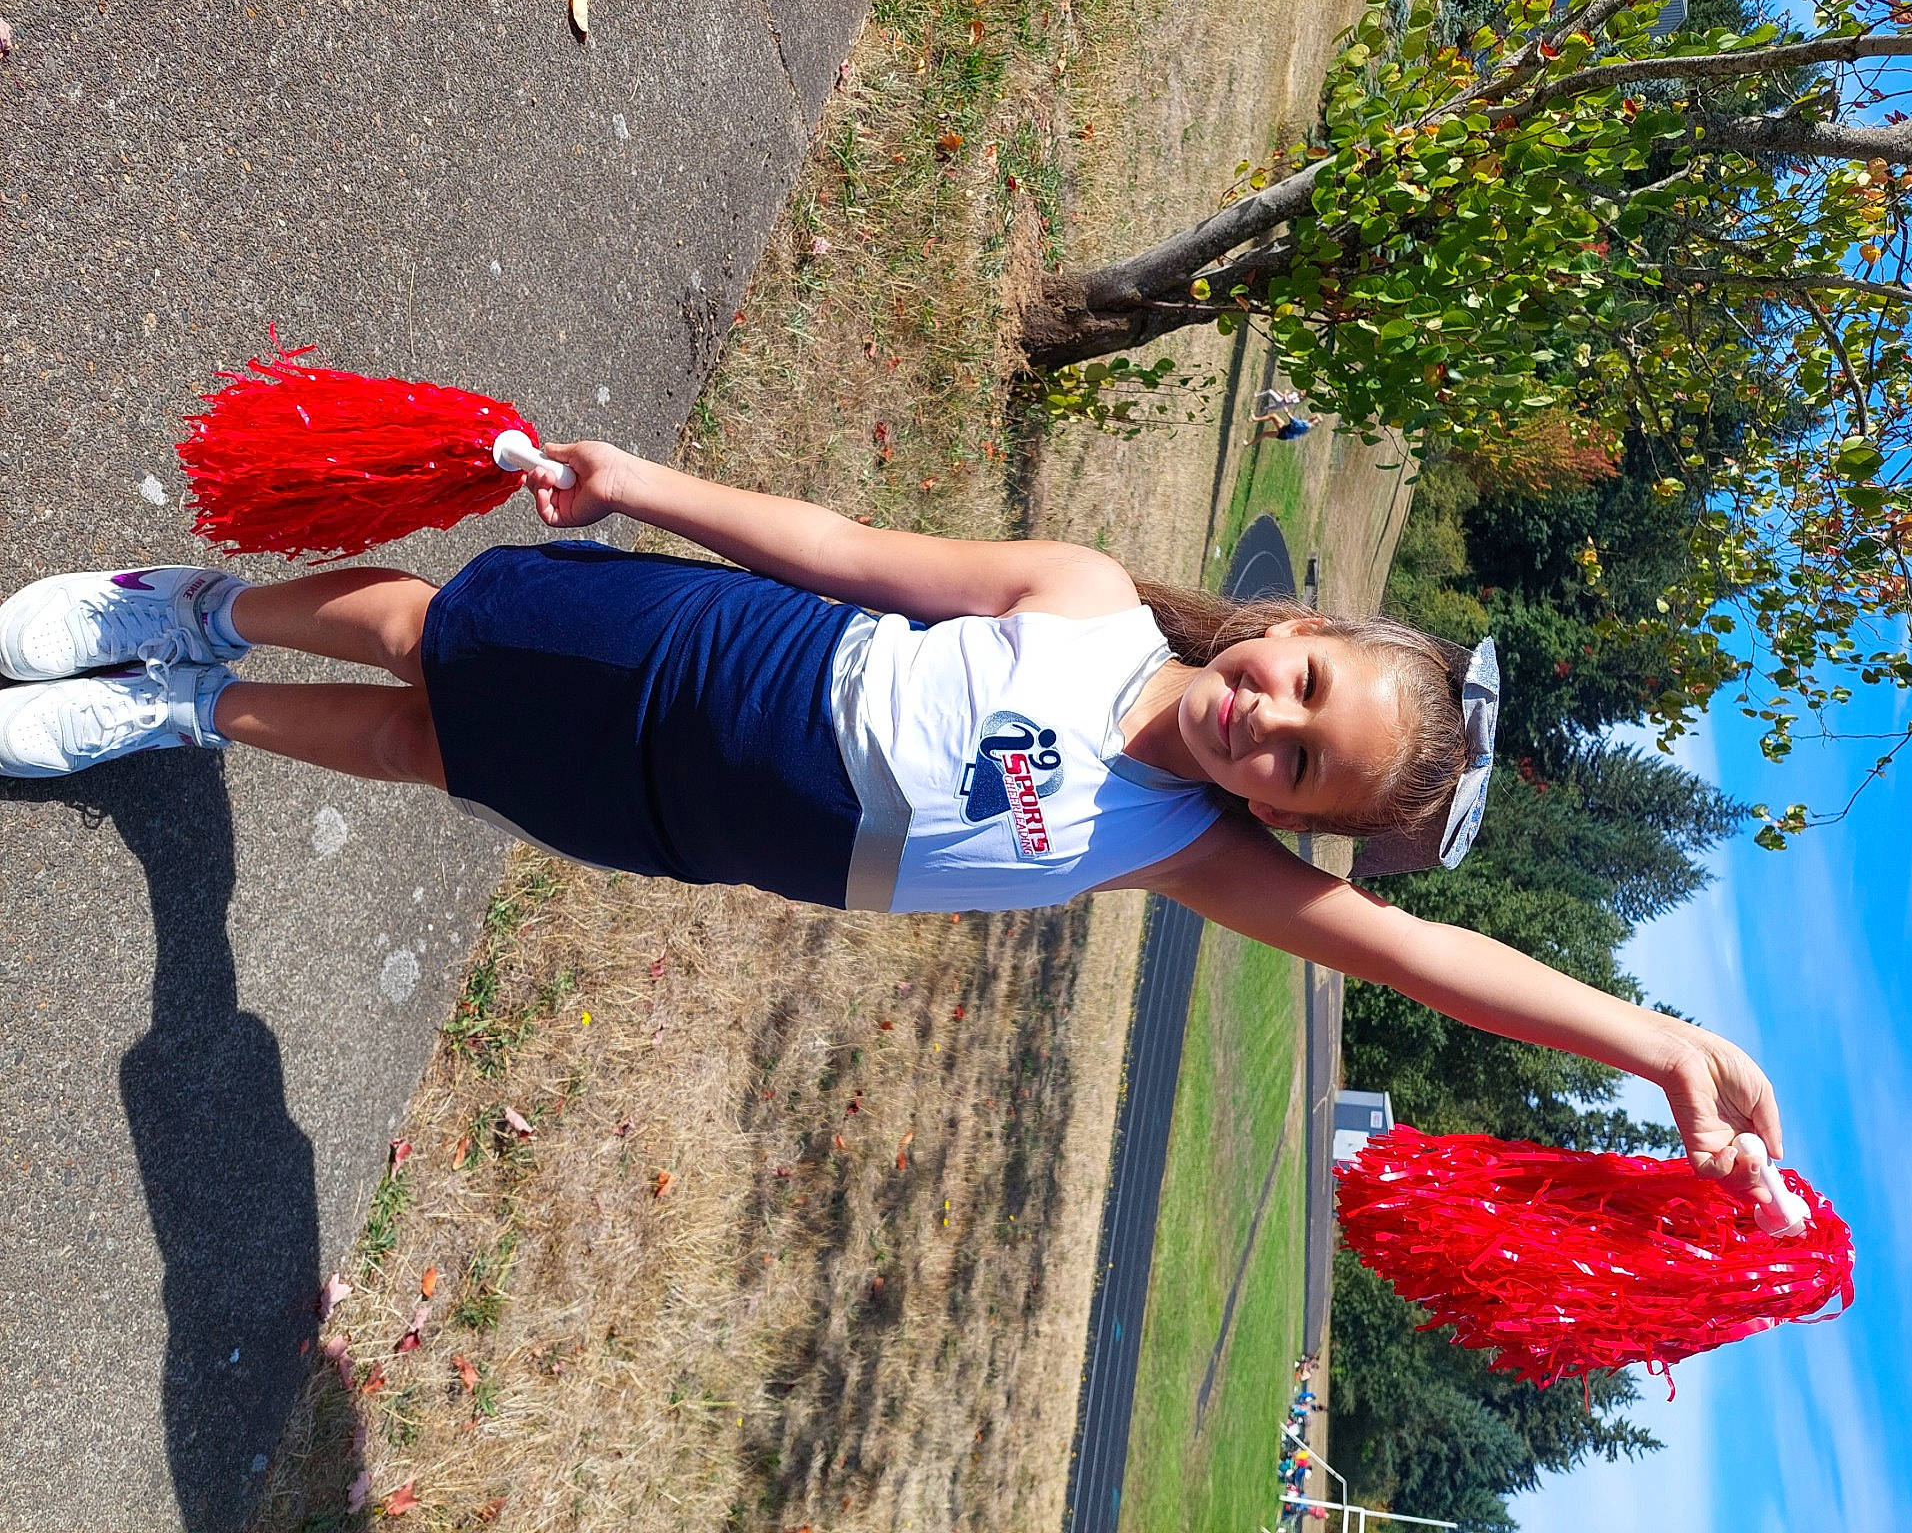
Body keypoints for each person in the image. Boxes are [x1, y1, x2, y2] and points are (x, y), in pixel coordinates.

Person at [0, 440, 1786, 1199]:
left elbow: (1424, 957)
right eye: (1302, 690)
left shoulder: (1182, 852)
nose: (1271, 729)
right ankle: (196, 607)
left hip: (687, 809)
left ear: (1293, 820)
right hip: (690, 649)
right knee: (423, 632)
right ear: (1293, 634)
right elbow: (845, 556)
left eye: (1301, 767)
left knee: (429, 755)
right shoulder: (1085, 600)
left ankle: (182, 714)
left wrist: (1652, 1044)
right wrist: (651, 492)